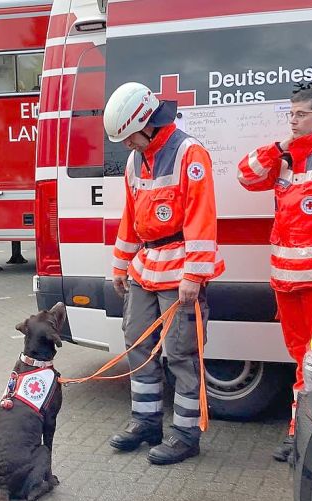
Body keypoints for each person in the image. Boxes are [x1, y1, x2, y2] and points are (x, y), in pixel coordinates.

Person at [236, 88, 312, 462]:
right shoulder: (285, 157)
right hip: (286, 281)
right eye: (290, 114)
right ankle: (303, 429)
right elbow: (246, 176)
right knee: (299, 358)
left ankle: (306, 434)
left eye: (301, 115)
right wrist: (280, 145)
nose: (293, 120)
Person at [105, 82, 224, 465]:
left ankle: (186, 434)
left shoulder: (189, 152)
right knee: (137, 343)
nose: (126, 145)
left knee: (181, 353)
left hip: (179, 270)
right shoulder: (135, 160)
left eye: (129, 137)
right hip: (146, 266)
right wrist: (121, 264)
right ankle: (146, 422)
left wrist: (194, 275)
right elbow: (130, 216)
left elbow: (201, 216)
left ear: (148, 123)